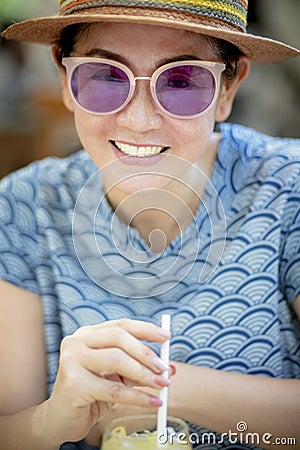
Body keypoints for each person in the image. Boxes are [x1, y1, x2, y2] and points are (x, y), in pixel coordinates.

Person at [0, 1, 299, 449]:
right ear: (65, 79)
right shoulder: (23, 206)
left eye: (181, 81)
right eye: (105, 76)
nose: (139, 121)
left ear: (227, 89)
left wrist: (157, 390)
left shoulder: (288, 187)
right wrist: (50, 421)